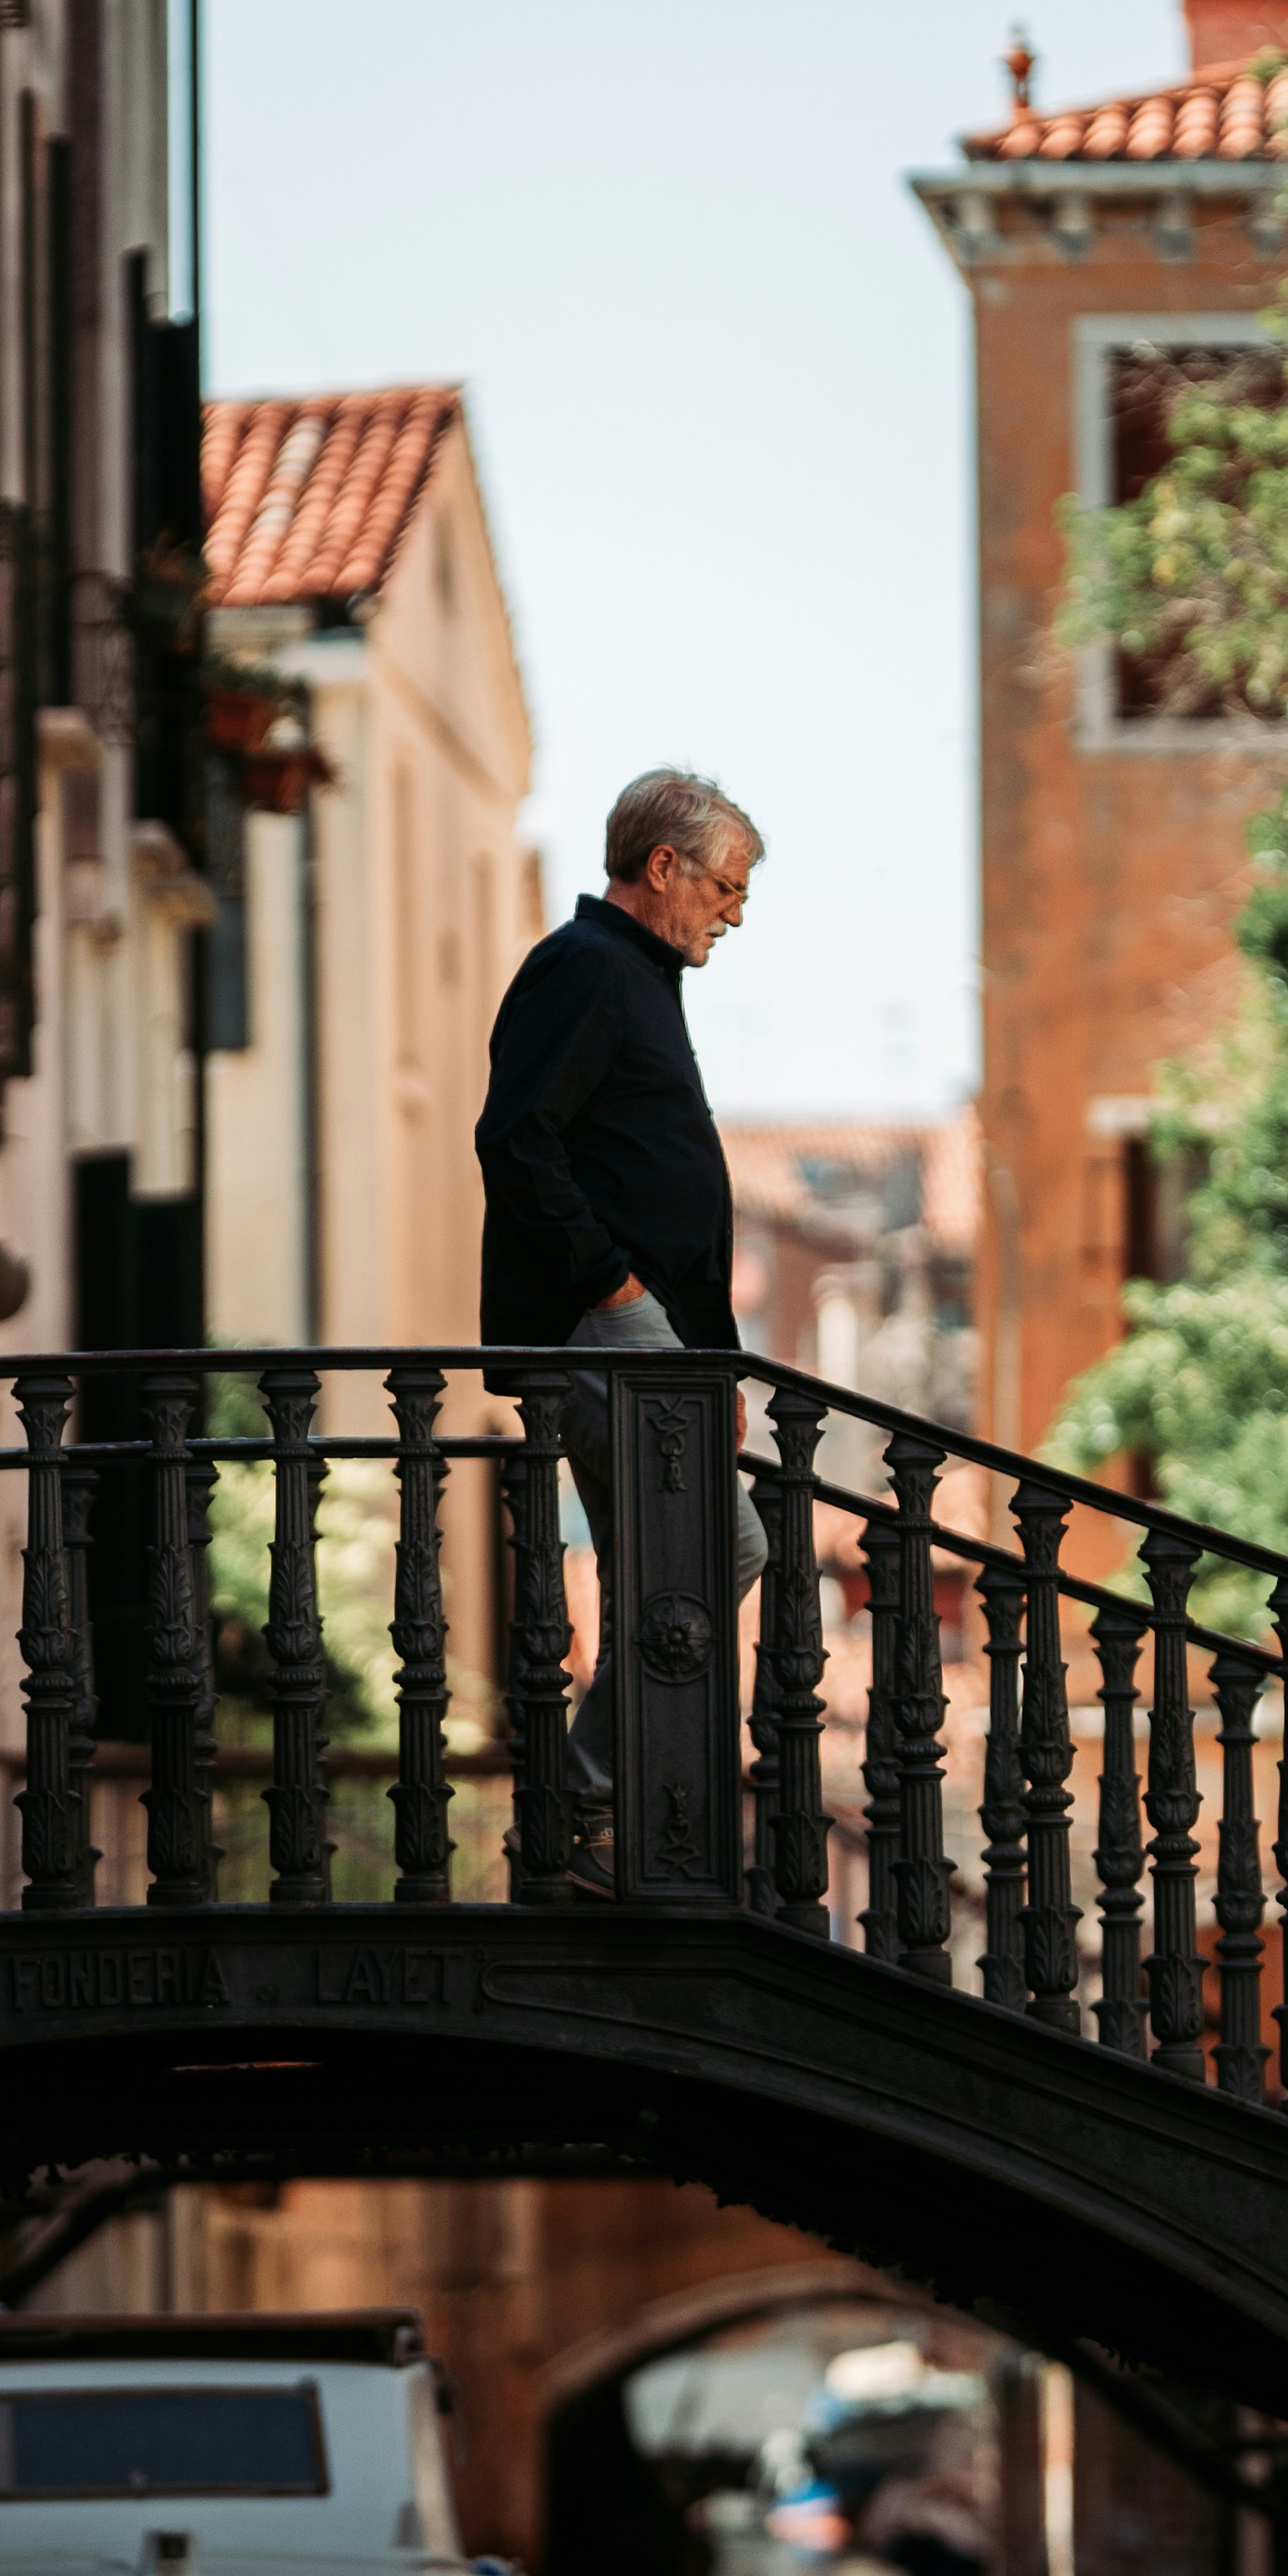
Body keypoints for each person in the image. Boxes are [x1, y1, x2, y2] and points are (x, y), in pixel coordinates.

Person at [475, 769, 765, 1870]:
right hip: (606, 1331)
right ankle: (584, 1806)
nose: (732, 911)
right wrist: (615, 1291)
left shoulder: (632, 975)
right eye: (725, 886)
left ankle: (595, 1816)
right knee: (712, 1549)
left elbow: (661, 1185)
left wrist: (714, 1366)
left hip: (652, 1342)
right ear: (662, 868)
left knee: (677, 1564)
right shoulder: (584, 968)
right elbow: (515, 1139)